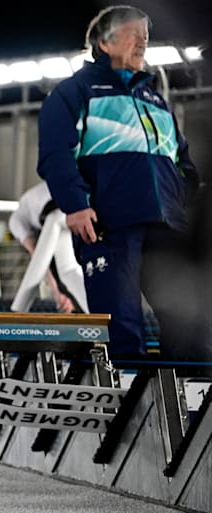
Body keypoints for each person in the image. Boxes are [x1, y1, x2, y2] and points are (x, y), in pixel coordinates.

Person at [37, 5, 208, 360]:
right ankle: (131, 404)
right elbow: (55, 154)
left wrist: (184, 198)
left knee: (188, 319)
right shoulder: (73, 93)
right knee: (122, 321)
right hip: (110, 223)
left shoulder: (155, 100)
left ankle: (191, 395)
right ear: (104, 42)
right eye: (133, 32)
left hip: (167, 224)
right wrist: (77, 205)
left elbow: (183, 161)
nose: (143, 39)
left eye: (146, 33)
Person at [8, 181, 84, 313]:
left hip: (58, 215)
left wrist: (57, 294)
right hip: (77, 209)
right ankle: (101, 314)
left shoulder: (15, 220)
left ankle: (17, 312)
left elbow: (39, 259)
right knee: (69, 271)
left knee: (50, 266)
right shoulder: (34, 197)